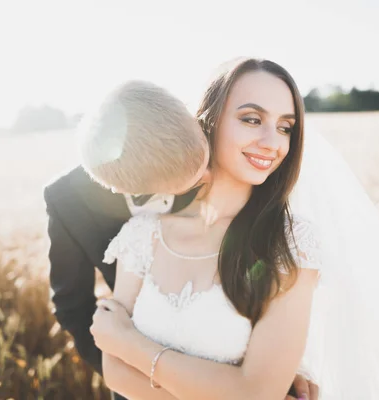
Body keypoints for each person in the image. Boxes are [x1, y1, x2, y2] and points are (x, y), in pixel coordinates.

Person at [89, 58, 379, 399]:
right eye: (252, 119)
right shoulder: (144, 235)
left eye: (285, 127)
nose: (273, 143)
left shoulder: (289, 245)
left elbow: (256, 391)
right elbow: (115, 373)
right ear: (210, 119)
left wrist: (128, 343)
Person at [44, 79, 317, 400]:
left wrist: (271, 368)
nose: (208, 178)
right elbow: (72, 307)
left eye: (205, 165)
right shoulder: (79, 204)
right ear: (134, 190)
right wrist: (119, 355)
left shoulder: (192, 137)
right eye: (192, 181)